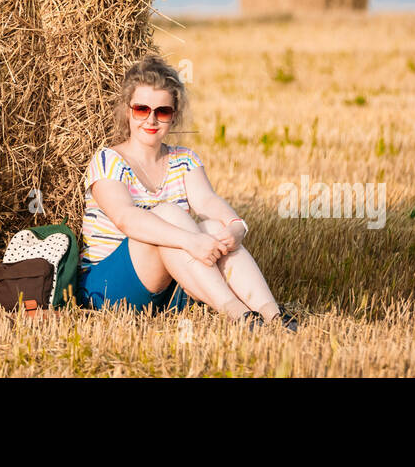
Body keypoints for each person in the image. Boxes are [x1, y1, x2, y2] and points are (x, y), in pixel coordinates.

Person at [76, 54, 298, 331]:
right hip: (109, 290)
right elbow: (126, 218)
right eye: (142, 109)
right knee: (169, 213)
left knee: (215, 226)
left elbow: (207, 201)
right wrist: (190, 241)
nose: (152, 119)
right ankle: (238, 313)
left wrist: (236, 227)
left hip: (172, 284)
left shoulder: (185, 160)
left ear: (174, 115)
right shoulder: (108, 160)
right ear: (127, 111)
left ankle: (272, 313)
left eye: (163, 111)